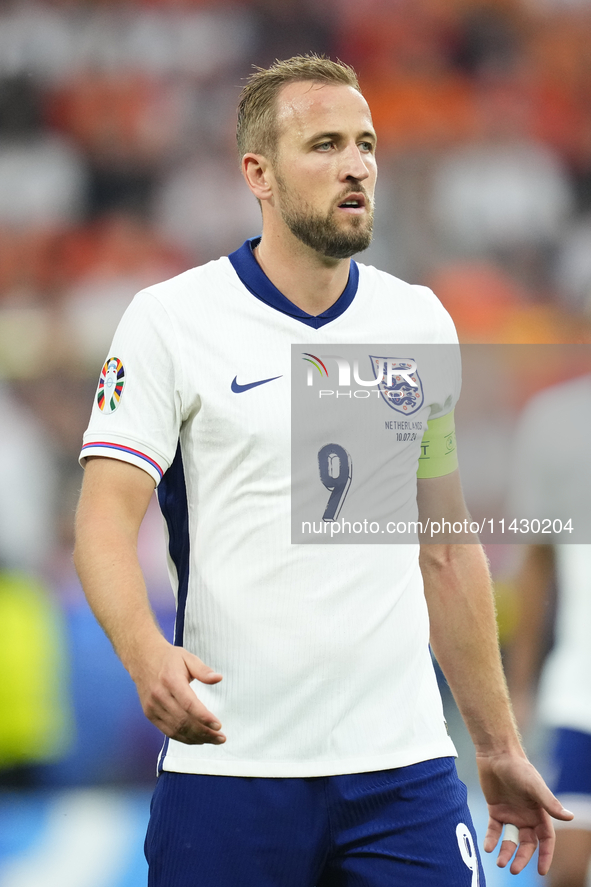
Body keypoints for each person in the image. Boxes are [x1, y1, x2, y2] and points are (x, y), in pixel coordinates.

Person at [74, 54, 572, 886]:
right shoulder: (172, 321)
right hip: (233, 771)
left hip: (403, 773)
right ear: (257, 174)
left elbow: (444, 550)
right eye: (326, 144)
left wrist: (494, 742)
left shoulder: (412, 321)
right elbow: (101, 519)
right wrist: (143, 652)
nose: (356, 165)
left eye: (367, 145)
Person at [508, 373, 591, 887]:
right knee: (563, 865)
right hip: (579, 694)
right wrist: (519, 688)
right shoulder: (558, 420)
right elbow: (536, 561)